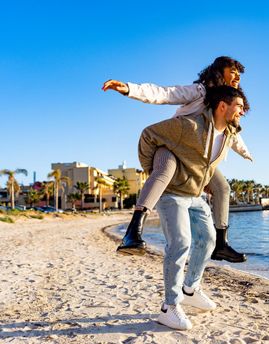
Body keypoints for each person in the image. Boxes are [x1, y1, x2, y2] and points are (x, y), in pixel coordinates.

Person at [102, 57, 251, 263]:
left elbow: (231, 133)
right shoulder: (201, 91)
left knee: (222, 188)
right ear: (219, 71)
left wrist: (245, 152)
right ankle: (132, 233)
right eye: (233, 71)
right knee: (164, 171)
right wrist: (129, 89)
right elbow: (166, 93)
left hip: (196, 156)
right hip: (172, 142)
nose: (237, 76)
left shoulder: (226, 103)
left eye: (239, 73)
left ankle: (221, 244)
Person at [141, 85, 246, 330]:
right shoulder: (190, 125)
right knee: (180, 243)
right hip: (171, 194)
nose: (242, 112)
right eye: (239, 106)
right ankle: (170, 307)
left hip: (195, 195)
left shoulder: (228, 134)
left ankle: (190, 288)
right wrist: (155, 172)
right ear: (223, 106)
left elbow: (206, 165)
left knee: (209, 240)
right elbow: (148, 135)